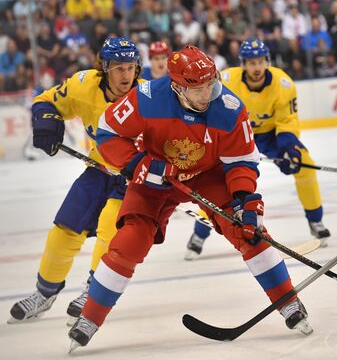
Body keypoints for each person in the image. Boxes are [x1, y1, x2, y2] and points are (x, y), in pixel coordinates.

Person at [68, 45, 313, 350]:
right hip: (157, 175)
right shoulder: (146, 97)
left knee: (250, 233)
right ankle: (90, 318)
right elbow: (108, 132)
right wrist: (136, 164)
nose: (207, 94)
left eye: (211, 84)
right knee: (129, 241)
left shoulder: (228, 106)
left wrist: (244, 198)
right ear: (176, 87)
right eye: (198, 89)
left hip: (208, 175)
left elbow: (242, 161)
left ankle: (288, 302)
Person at [8, 37, 142, 325]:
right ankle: (44, 293)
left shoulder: (147, 98)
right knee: (64, 228)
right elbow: (46, 101)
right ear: (104, 68)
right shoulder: (84, 85)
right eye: (118, 68)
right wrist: (47, 121)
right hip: (98, 169)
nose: (126, 75)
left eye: (130, 67)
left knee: (110, 229)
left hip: (132, 179)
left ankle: (94, 292)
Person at [184, 38, 331, 260]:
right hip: (234, 134)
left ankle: (315, 220)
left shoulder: (283, 84)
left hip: (270, 135)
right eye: (251, 63)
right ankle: (199, 234)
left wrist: (288, 147)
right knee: (218, 184)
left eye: (260, 62)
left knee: (305, 166)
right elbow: (209, 113)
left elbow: (287, 120)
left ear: (268, 62)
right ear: (243, 64)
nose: (256, 67)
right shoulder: (225, 80)